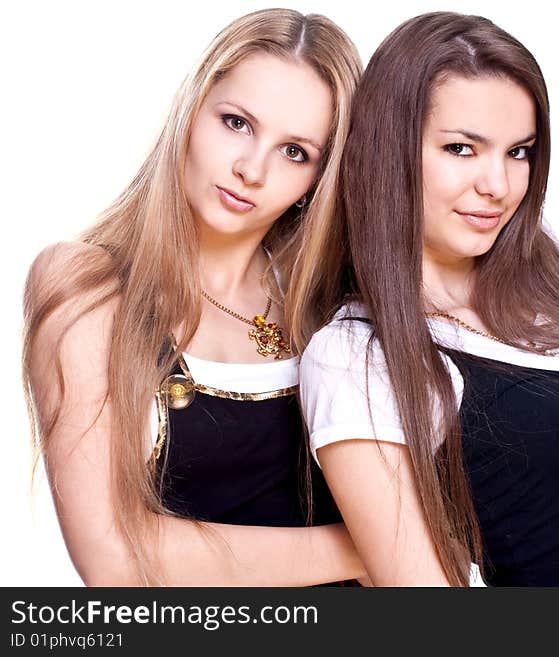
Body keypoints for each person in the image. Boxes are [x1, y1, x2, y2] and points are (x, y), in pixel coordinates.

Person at [297, 12, 559, 586]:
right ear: (387, 152)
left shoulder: (537, 276)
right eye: (462, 149)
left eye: (519, 152)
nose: (499, 186)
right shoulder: (357, 355)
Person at [22, 8, 364, 586]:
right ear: (192, 111)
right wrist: (370, 547)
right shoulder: (86, 285)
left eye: (295, 151)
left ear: (319, 178)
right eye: (236, 123)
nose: (251, 169)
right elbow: (116, 562)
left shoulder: (333, 306)